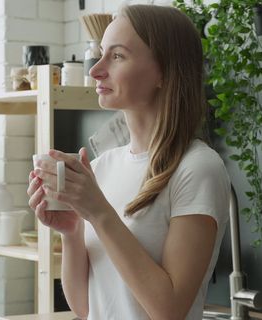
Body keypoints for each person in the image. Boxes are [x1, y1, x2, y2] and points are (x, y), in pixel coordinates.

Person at [27, 4, 230, 320]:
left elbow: (169, 310)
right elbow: (85, 307)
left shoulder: (197, 168)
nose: (96, 69)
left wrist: (98, 213)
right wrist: (71, 232)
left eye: (117, 56)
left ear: (164, 71)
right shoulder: (103, 167)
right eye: (101, 53)